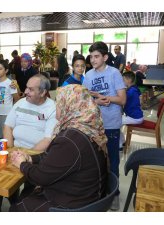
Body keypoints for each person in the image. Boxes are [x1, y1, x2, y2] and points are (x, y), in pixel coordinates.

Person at [9, 85, 108, 212]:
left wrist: (22, 164)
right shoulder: (86, 128)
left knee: (16, 209)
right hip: (89, 195)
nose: (56, 108)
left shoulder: (70, 139)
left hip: (74, 204)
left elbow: (40, 177)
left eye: (59, 103)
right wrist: (31, 158)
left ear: (69, 106)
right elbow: (54, 157)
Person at [83, 41, 126, 211]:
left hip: (111, 124)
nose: (93, 60)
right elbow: (86, 100)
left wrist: (104, 98)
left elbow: (122, 99)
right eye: (91, 56)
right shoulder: (88, 75)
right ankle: (99, 194)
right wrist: (96, 100)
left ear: (105, 57)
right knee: (96, 161)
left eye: (96, 56)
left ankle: (113, 195)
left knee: (112, 161)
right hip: (94, 125)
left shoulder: (114, 73)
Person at [3, 74, 57, 152]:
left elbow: (48, 140)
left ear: (42, 92)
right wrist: (10, 150)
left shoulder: (53, 109)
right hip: (16, 150)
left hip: (37, 155)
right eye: (26, 87)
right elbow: (8, 126)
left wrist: (27, 156)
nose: (25, 92)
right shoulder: (20, 103)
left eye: (31, 89)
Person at [0, 60, 20, 140]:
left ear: (6, 70)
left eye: (0, 69)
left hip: (6, 114)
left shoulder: (10, 83)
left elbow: (17, 99)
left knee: (6, 136)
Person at [119, 71, 144, 149]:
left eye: (123, 80)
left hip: (135, 118)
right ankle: (122, 141)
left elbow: (121, 99)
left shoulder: (131, 91)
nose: (122, 82)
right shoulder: (134, 88)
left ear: (129, 80)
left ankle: (119, 145)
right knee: (118, 123)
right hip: (136, 116)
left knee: (115, 122)